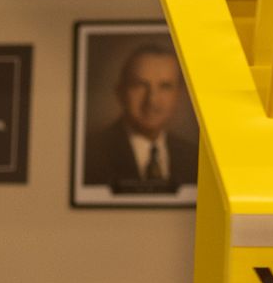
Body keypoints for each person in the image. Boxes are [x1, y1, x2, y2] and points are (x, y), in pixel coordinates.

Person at [81, 43, 198, 192]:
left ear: (179, 95)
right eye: (140, 85)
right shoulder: (90, 155)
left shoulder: (193, 157)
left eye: (165, 87)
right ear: (120, 92)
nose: (152, 100)